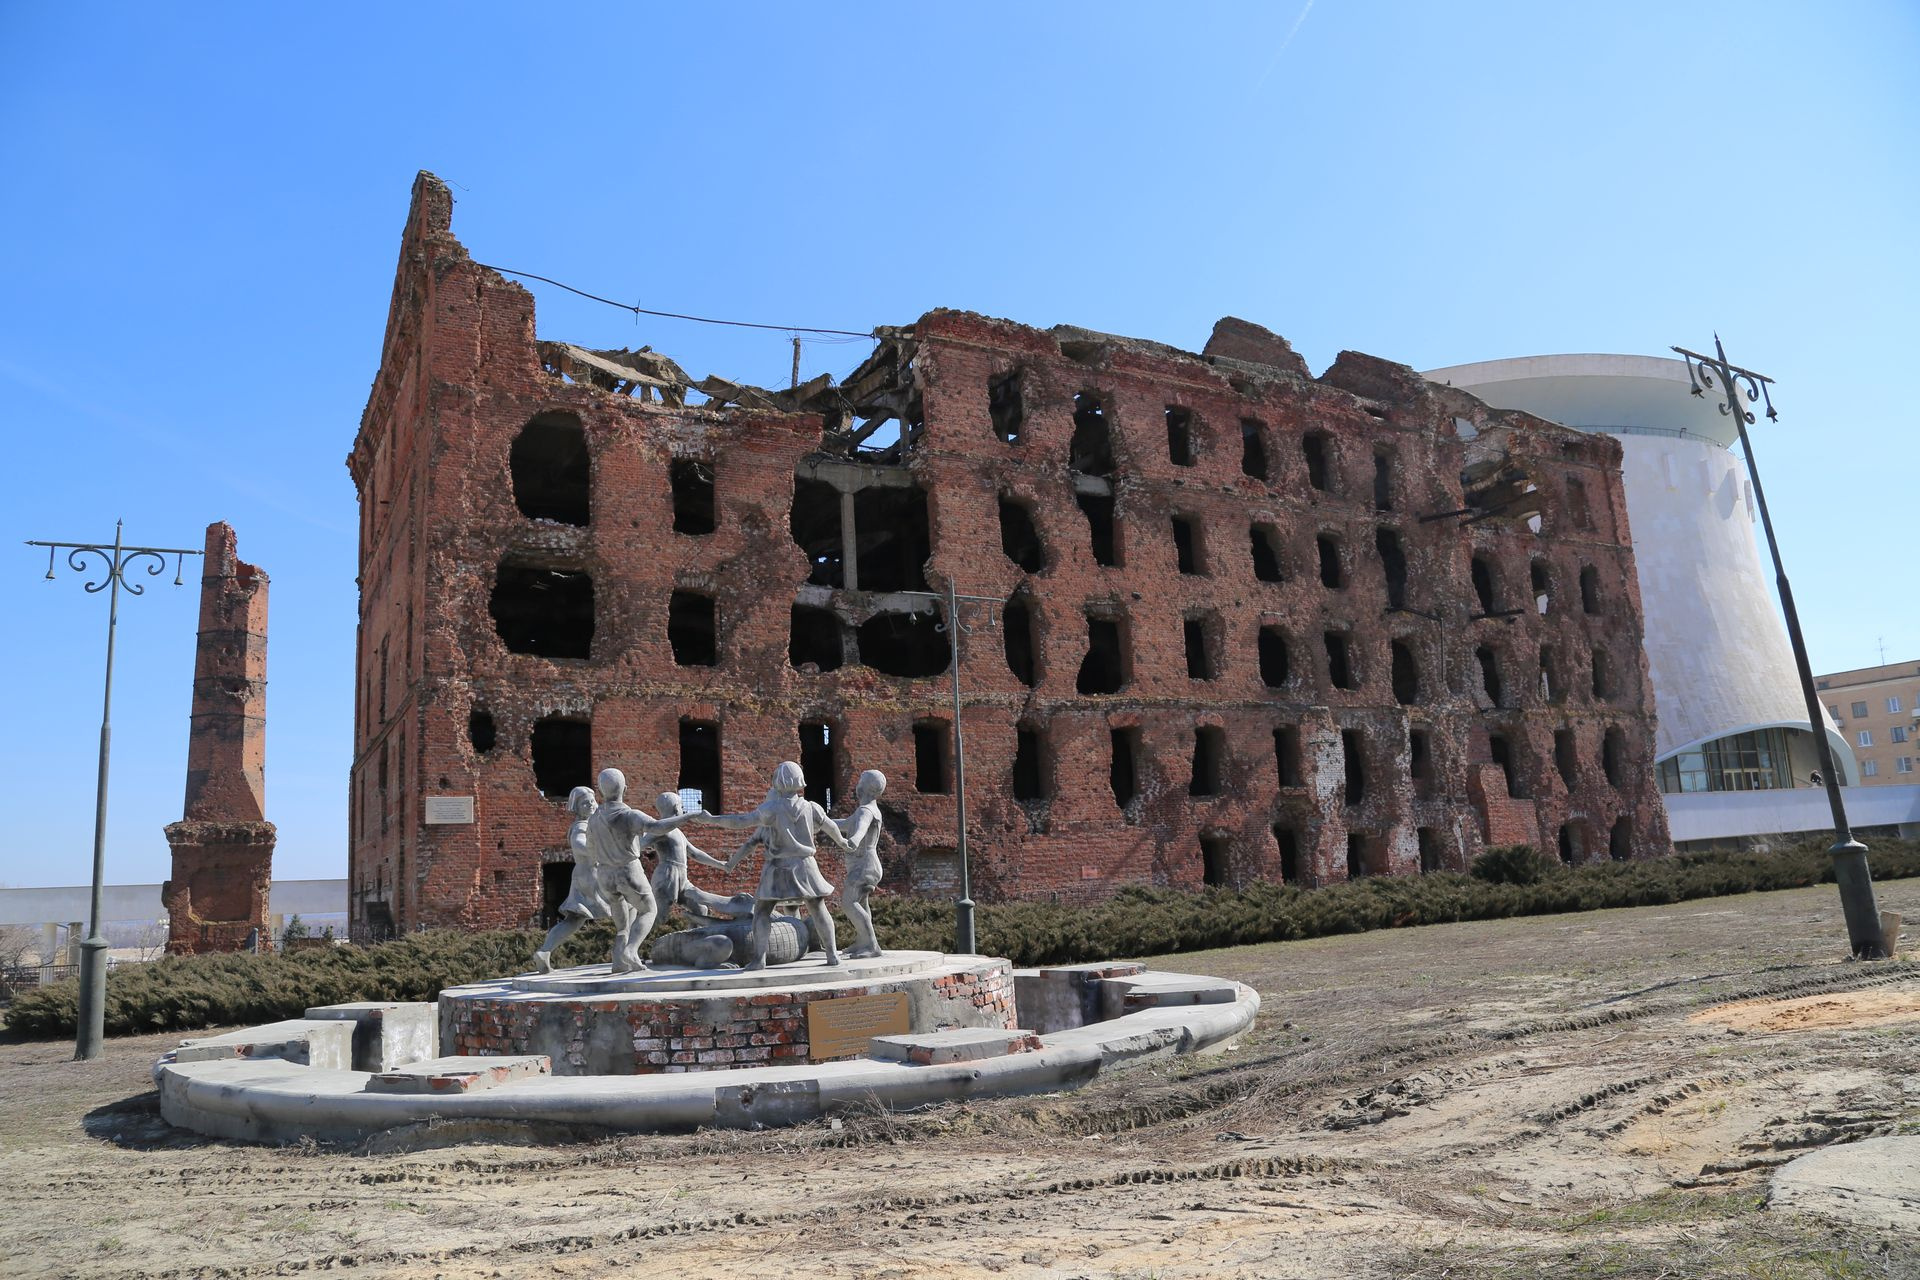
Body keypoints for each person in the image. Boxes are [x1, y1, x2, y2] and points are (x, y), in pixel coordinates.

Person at [698, 761, 855, 970]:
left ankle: (759, 960)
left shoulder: (771, 809)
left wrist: (713, 819)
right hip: (806, 865)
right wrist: (842, 842)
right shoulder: (812, 807)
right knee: (818, 908)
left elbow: (741, 821)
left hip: (778, 867)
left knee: (762, 911)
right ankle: (832, 954)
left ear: (778, 782)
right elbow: (830, 825)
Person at [574, 768, 703, 973]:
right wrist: (686, 817)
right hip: (628, 871)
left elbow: (590, 849)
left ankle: (620, 963)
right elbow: (657, 827)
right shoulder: (628, 815)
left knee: (622, 920)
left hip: (605, 875)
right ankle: (631, 951)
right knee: (649, 909)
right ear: (625, 788)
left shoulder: (593, 819)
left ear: (600, 791)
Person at [530, 786, 628, 974]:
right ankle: (622, 956)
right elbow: (579, 844)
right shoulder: (581, 826)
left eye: (592, 800)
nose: (590, 805)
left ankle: (544, 951)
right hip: (593, 876)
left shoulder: (592, 823)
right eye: (585, 803)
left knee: (574, 919)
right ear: (577, 808)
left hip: (583, 876)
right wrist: (603, 851)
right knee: (627, 907)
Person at [643, 792, 734, 922]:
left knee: (701, 909)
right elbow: (642, 843)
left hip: (682, 877)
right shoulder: (660, 828)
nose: (683, 809)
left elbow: (694, 853)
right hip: (667, 874)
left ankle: (695, 937)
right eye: (681, 806)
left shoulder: (678, 832)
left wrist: (720, 864)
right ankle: (651, 940)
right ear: (676, 808)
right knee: (661, 915)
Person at [833, 770, 887, 959]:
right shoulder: (865, 809)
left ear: (866, 787)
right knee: (861, 903)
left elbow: (861, 828)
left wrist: (853, 841)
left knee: (849, 903)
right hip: (866, 864)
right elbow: (845, 824)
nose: (857, 785)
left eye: (860, 781)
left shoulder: (865, 811)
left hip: (864, 864)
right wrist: (821, 823)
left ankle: (871, 945)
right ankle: (863, 941)